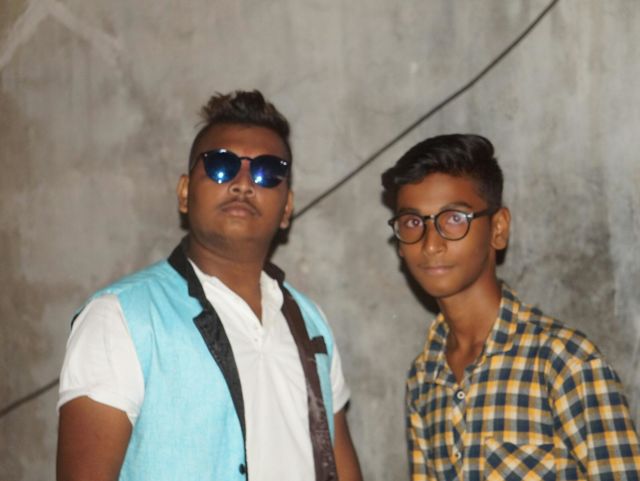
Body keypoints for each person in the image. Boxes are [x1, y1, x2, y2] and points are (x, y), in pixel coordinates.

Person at [57, 90, 362, 481]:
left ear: (287, 207)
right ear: (185, 193)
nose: (243, 183)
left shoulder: (310, 322)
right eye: (221, 165)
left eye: (268, 171)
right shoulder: (120, 318)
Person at [381, 134, 640, 480]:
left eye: (454, 218)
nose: (431, 244)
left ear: (498, 229)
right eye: (413, 222)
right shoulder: (424, 376)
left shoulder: (564, 362)